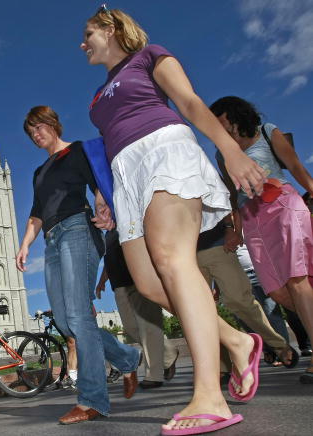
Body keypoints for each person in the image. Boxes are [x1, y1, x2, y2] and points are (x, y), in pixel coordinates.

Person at [80, 6, 266, 435]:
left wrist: (231, 151)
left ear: (110, 29)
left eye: (88, 33)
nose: (82, 42)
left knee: (172, 259)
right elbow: (109, 148)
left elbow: (189, 102)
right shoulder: (96, 97)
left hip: (163, 150)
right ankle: (237, 341)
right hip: (126, 177)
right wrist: (103, 196)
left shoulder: (150, 56)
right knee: (146, 282)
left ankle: (209, 396)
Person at [16, 105, 141, 425]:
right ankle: (127, 357)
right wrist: (25, 244)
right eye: (31, 133)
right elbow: (36, 212)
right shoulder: (39, 173)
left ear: (53, 124)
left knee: (79, 316)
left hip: (78, 230)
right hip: (52, 240)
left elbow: (99, 182)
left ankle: (92, 400)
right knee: (66, 321)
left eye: (39, 127)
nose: (36, 134)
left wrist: (103, 205)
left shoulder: (80, 150)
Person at [210, 96, 313, 384]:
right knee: (277, 291)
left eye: (219, 118)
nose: (216, 125)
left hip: (282, 204)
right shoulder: (223, 154)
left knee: (297, 279)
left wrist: (312, 190)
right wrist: (235, 228)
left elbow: (295, 166)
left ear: (232, 114)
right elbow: (233, 194)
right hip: (252, 218)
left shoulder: (267, 131)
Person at [196, 216, 298, 372]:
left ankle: (277, 344)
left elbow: (228, 199)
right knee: (199, 312)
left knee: (239, 301)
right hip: (186, 253)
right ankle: (221, 366)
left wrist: (231, 229)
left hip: (217, 244)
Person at [96, 230, 180, 389]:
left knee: (148, 326)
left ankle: (154, 375)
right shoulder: (108, 235)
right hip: (118, 284)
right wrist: (102, 281)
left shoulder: (129, 221)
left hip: (139, 277)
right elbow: (109, 261)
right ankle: (169, 353)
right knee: (130, 327)